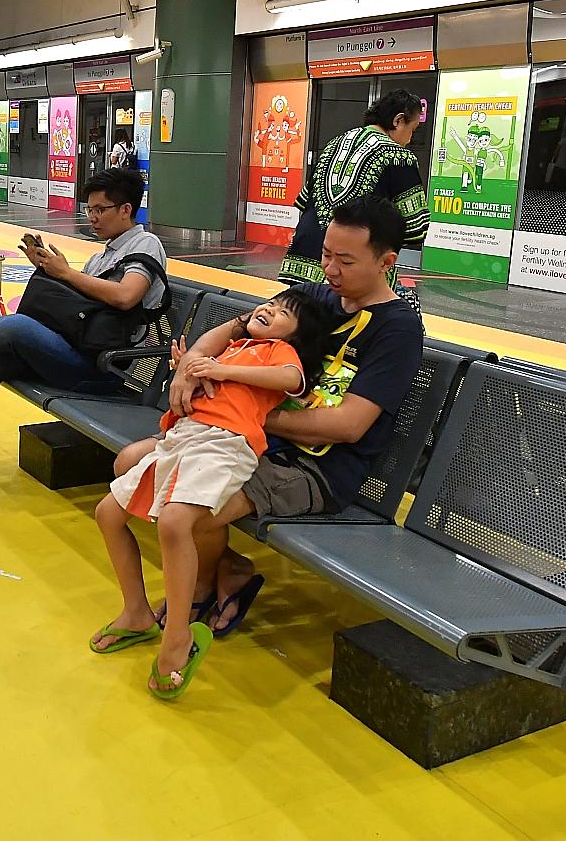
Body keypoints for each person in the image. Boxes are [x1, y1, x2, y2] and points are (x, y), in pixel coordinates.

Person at [113, 197, 424, 636]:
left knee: (188, 510)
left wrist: (243, 413)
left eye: (346, 261)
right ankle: (228, 567)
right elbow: (241, 327)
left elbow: (348, 425)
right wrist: (189, 367)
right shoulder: (317, 297)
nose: (330, 270)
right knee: (130, 462)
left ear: (386, 262)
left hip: (313, 466)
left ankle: (205, 581)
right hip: (243, 440)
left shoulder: (397, 330)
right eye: (326, 255)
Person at [91, 287, 332, 699]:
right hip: (183, 438)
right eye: (268, 303)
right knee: (107, 513)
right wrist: (193, 370)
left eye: (281, 313)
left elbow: (291, 379)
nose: (268, 310)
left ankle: (178, 638)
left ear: (296, 337)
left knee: (175, 521)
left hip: (226, 444)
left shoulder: (275, 353)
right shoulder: (237, 346)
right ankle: (136, 612)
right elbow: (199, 376)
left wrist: (222, 372)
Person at [0, 167, 168, 501]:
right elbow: (83, 308)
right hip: (74, 351)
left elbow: (126, 296)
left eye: (100, 210)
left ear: (126, 209)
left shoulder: (146, 245)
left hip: (104, 368)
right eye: (90, 209)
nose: (93, 217)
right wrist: (52, 271)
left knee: (16, 326)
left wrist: (67, 273)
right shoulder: (103, 255)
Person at [280, 90, 429, 287]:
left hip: (302, 260)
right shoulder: (399, 157)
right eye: (413, 129)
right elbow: (415, 228)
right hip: (351, 269)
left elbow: (304, 201)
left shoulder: (334, 144)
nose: (410, 139)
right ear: (398, 120)